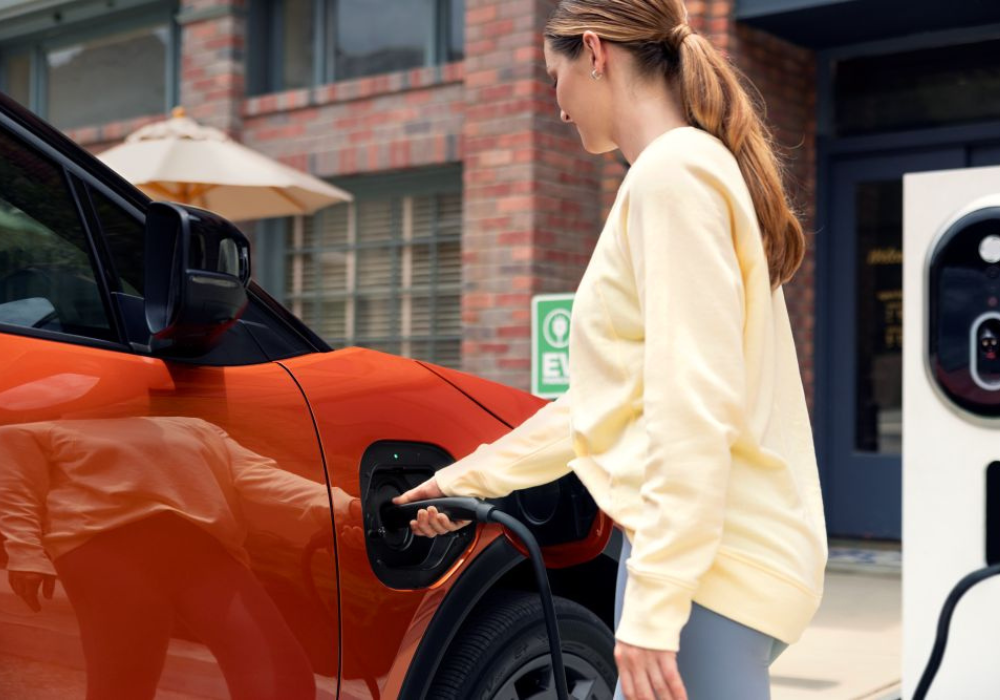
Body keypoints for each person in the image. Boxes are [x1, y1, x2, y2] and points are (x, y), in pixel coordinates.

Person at [393, 0, 828, 698]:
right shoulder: (683, 173)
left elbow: (692, 401)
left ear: (594, 52)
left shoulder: (672, 176)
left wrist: (655, 605)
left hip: (710, 573)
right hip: (715, 563)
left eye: (553, 76)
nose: (556, 104)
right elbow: (607, 400)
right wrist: (466, 480)